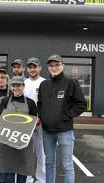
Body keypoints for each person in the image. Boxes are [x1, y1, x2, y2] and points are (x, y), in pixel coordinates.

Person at [38, 54, 86, 183]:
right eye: (51, 65)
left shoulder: (71, 83)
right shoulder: (44, 84)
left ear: (63, 66)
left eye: (57, 65)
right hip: (47, 131)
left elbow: (81, 104)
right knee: (49, 163)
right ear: (48, 68)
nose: (54, 68)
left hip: (64, 131)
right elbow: (40, 104)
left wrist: (65, 116)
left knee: (67, 165)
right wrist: (42, 116)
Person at [0, 76, 37, 183]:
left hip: (24, 141)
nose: (16, 88)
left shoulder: (31, 103)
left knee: (22, 170)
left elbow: (33, 124)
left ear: (23, 86)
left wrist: (35, 123)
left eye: (18, 86)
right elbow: (1, 120)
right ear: (10, 87)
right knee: (9, 169)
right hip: (7, 140)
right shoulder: (5, 101)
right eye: (13, 86)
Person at [24, 57, 46, 183]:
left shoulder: (45, 83)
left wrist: (41, 117)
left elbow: (47, 104)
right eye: (30, 67)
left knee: (40, 152)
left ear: (40, 68)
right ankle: (26, 178)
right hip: (26, 123)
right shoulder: (24, 83)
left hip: (40, 123)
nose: (32, 69)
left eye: (35, 67)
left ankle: (41, 179)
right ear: (27, 69)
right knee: (26, 152)